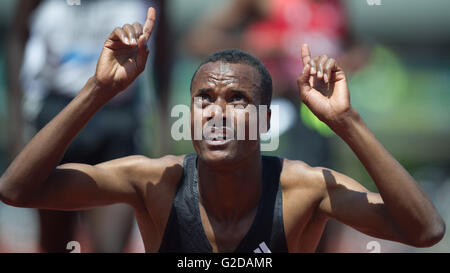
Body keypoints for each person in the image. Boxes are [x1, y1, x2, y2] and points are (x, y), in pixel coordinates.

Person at [0, 7, 445, 253]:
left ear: (265, 121)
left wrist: (346, 122)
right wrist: (98, 90)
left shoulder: (303, 189)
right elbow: (17, 190)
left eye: (237, 101)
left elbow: (424, 232)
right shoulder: (155, 182)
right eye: (204, 100)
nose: (217, 112)